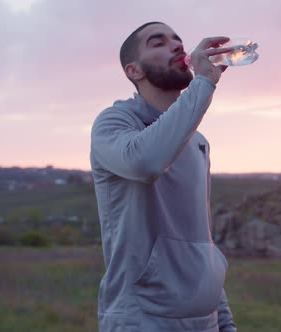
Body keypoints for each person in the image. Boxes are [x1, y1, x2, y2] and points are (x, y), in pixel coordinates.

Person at [90, 22, 237, 332]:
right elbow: (145, 162)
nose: (176, 46)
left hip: (206, 321)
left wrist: (223, 319)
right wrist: (204, 84)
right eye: (158, 43)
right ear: (134, 70)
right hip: (143, 319)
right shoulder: (114, 123)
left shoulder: (197, 141)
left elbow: (199, 238)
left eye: (178, 41)